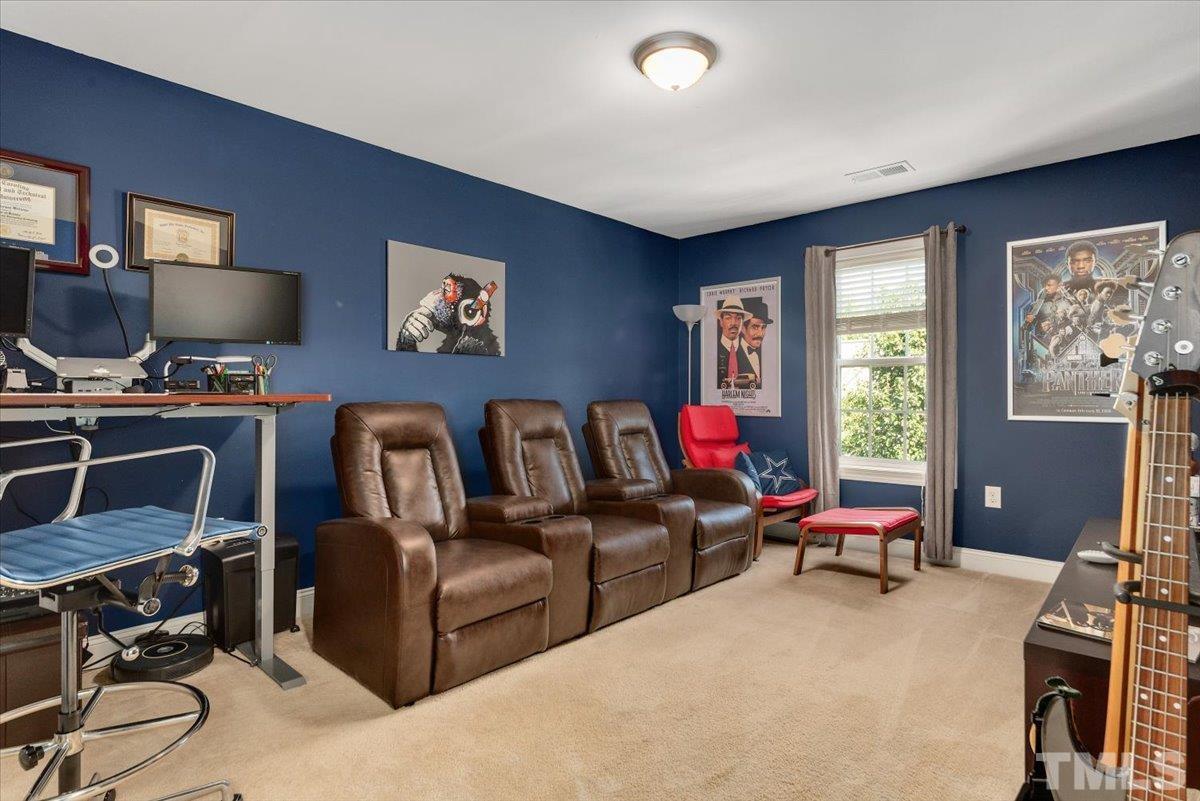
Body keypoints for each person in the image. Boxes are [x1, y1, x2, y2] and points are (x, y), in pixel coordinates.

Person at [395, 273, 501, 356]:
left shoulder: (475, 346)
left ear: (471, 314)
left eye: (447, 290)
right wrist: (406, 340)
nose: (436, 295)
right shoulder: (451, 345)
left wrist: (406, 342)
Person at [737, 296, 773, 388]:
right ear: (743, 328)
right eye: (755, 327)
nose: (760, 333)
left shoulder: (769, 355)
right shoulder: (732, 354)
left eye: (763, 327)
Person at [714, 297, 751, 387]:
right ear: (721, 322)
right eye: (728, 318)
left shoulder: (750, 353)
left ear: (742, 323)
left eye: (738, 318)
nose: (733, 323)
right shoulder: (711, 351)